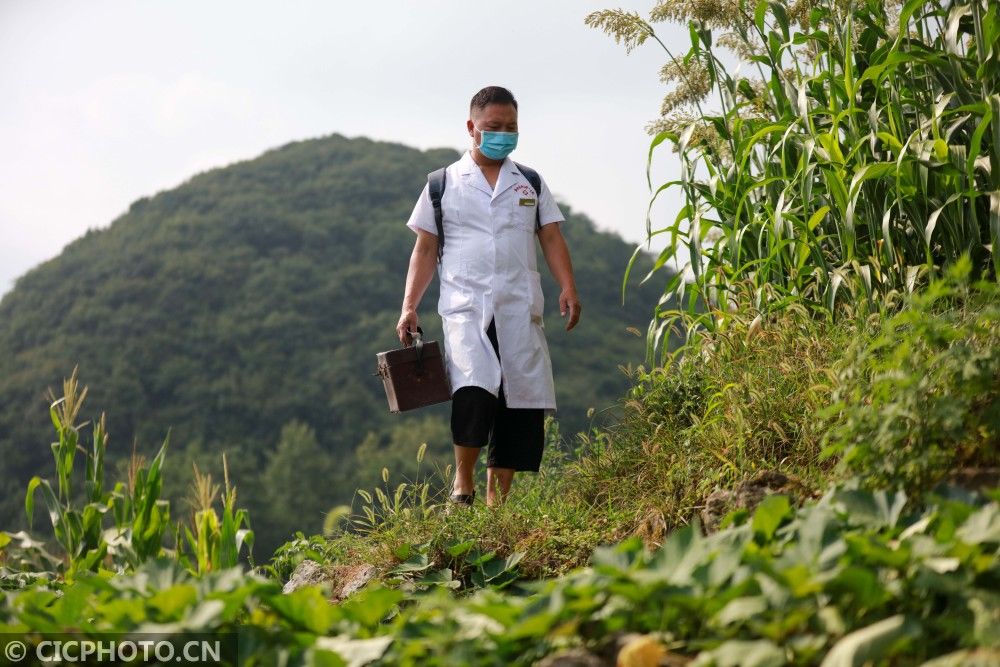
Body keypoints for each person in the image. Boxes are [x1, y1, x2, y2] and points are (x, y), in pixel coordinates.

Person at [396, 85, 581, 508]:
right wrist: (410, 306)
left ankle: (498, 503)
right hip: (466, 306)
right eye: (493, 127)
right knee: (474, 390)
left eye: (510, 127)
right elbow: (425, 248)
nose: (502, 134)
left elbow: (551, 236)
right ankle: (463, 484)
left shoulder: (529, 182)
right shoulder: (442, 184)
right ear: (471, 128)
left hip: (519, 306)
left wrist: (567, 285)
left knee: (520, 402)